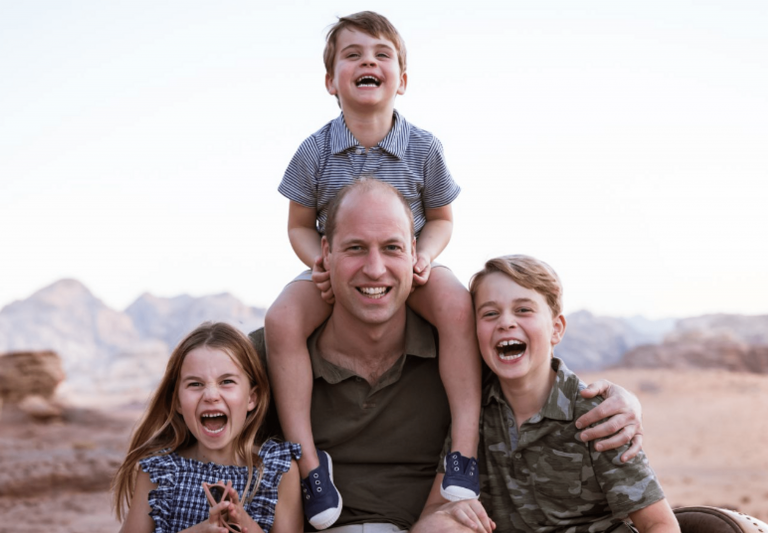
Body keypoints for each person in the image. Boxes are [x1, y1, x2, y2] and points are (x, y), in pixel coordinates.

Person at [251, 179, 645, 533]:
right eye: (355, 248)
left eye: (391, 248)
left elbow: (535, 380)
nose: (375, 269)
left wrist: (622, 400)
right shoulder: (271, 357)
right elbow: (198, 399)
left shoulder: (460, 352)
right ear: (326, 252)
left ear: (415, 254)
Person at [264, 10, 482, 529]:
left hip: (409, 265)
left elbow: (443, 217)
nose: (369, 62)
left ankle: (465, 452)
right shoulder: (315, 150)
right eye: (353, 55)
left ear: (402, 80)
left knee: (456, 304)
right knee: (281, 320)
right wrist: (316, 259)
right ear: (330, 80)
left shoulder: (423, 148)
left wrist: (424, 254)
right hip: (337, 268)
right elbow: (297, 224)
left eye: (382, 54)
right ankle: (311, 467)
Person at [417, 255, 680, 533]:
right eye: (490, 313)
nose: (506, 322)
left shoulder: (597, 415)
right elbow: (434, 513)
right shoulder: (473, 411)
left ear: (556, 329)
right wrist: (452, 510)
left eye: (523, 310)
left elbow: (659, 524)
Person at [112, 322, 303, 533]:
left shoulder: (278, 470)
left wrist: (243, 523)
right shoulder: (159, 472)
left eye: (227, 381)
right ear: (177, 402)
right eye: (195, 384)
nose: (211, 395)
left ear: (251, 397)